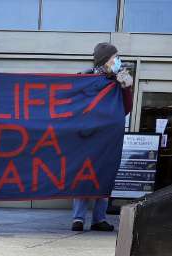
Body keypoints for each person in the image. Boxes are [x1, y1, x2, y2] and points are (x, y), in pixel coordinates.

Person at [71, 42, 134, 232]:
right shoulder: (85, 79)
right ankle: (78, 218)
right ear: (105, 60)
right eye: (115, 57)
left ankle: (99, 218)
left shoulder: (118, 82)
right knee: (84, 174)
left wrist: (126, 89)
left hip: (107, 138)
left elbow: (125, 109)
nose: (118, 60)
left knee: (104, 174)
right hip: (87, 136)